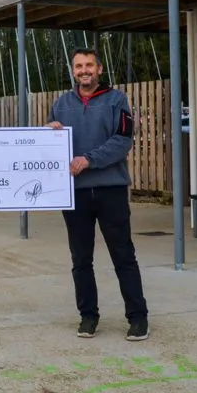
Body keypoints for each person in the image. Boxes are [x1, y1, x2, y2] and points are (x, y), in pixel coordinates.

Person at [47, 47, 149, 341]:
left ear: (99, 69)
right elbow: (49, 144)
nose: (84, 71)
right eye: (79, 66)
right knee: (81, 259)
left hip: (111, 190)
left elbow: (123, 140)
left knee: (123, 255)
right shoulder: (61, 103)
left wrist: (88, 159)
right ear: (74, 70)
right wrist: (48, 133)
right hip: (75, 194)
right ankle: (88, 316)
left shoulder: (118, 100)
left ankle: (138, 317)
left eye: (89, 65)